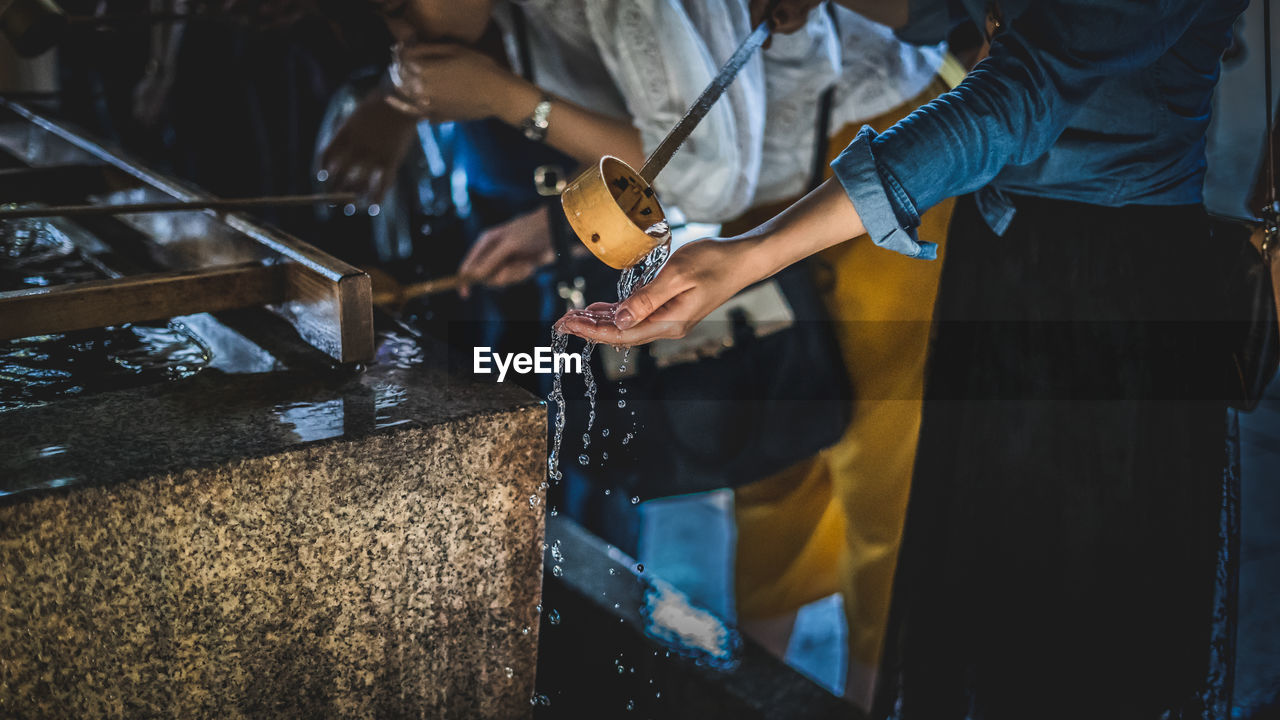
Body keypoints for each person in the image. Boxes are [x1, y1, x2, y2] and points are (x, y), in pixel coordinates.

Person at [560, 1, 1247, 718]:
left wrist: (754, 254)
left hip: (1105, 285)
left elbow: (1014, 96)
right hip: (992, 251)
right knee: (975, 565)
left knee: (1069, 603)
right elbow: (945, 12)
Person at [719, 5, 960, 710]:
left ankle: (868, 696)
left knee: (887, 459)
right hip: (753, 160)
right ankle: (748, 690)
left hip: (888, 125)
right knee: (769, 447)